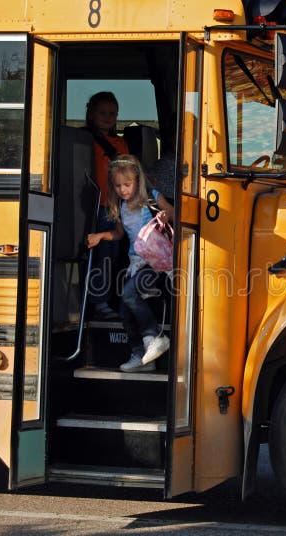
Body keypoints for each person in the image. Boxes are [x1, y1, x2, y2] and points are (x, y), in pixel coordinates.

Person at [87, 155, 175, 372]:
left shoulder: (151, 198)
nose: (123, 190)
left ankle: (154, 337)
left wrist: (166, 215)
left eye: (127, 184)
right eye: (117, 186)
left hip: (155, 262)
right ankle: (143, 357)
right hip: (135, 261)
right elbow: (119, 234)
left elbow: (173, 211)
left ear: (138, 180)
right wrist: (100, 236)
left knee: (128, 294)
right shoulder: (120, 206)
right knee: (125, 311)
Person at [84, 91, 129, 319]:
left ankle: (103, 299)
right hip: (88, 204)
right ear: (91, 115)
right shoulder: (84, 139)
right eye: (102, 112)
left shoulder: (120, 143)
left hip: (111, 204)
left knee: (109, 254)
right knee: (93, 254)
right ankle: (95, 301)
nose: (108, 117)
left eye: (112, 113)